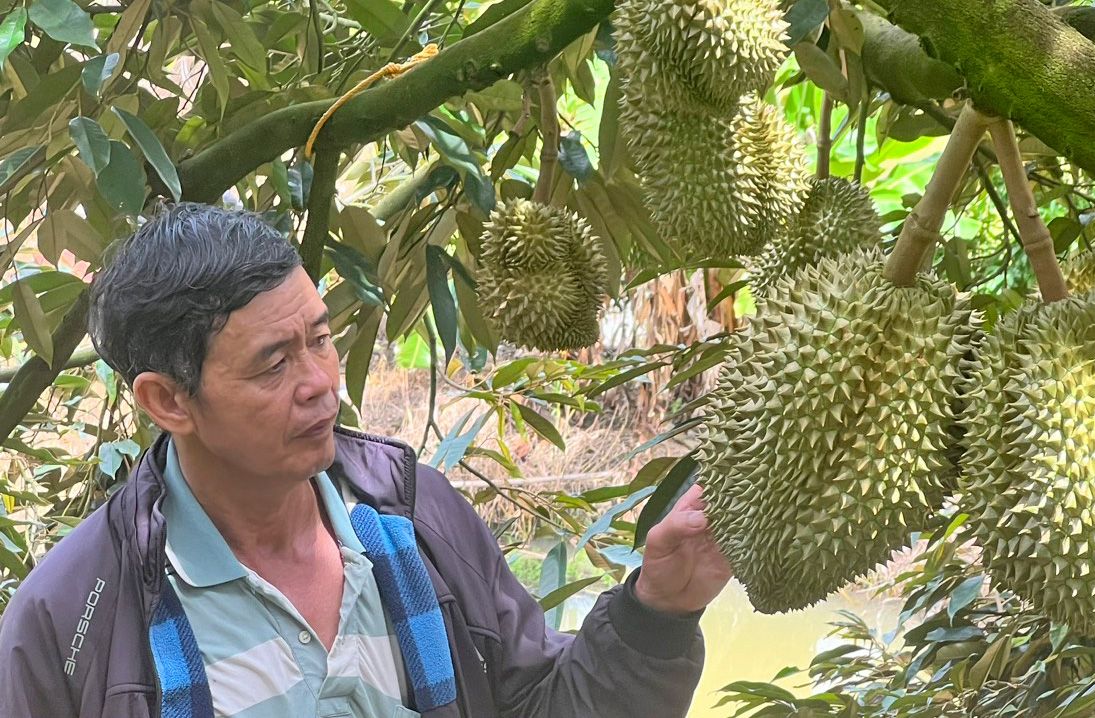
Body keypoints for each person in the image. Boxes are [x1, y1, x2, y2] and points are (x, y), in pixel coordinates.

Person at [0, 203, 733, 717]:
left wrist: (658, 614)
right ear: (168, 403)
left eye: (320, 338)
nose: (322, 382)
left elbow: (546, 707)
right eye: (273, 363)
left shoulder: (418, 522)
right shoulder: (69, 623)